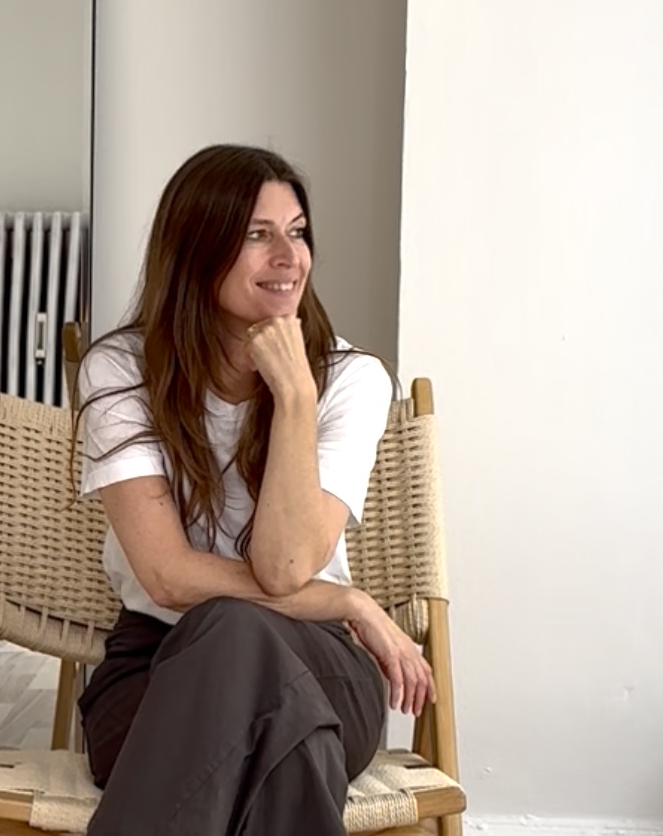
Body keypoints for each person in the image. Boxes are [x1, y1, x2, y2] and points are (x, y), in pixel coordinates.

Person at [74, 143, 435, 836]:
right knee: (291, 744)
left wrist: (295, 396)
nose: (289, 257)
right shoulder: (120, 370)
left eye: (297, 232)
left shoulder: (351, 379)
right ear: (196, 247)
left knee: (240, 634)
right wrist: (347, 599)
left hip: (319, 659)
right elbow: (168, 578)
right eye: (257, 235)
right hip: (155, 664)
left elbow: (284, 564)